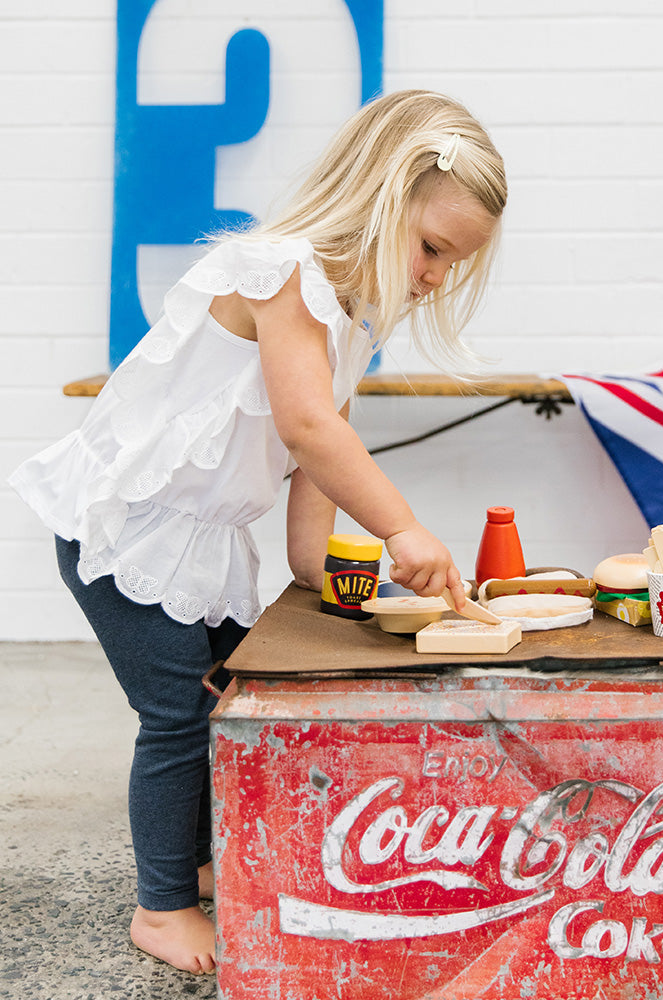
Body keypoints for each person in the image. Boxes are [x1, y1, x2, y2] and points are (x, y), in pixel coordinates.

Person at [8, 90, 507, 975]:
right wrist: (405, 532)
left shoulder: (346, 325)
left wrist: (334, 578)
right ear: (383, 195)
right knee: (177, 715)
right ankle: (160, 907)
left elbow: (311, 489)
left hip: (202, 540)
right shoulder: (282, 272)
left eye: (449, 265)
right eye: (430, 248)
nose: (433, 276)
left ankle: (197, 856)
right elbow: (313, 429)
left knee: (237, 698)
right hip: (130, 529)